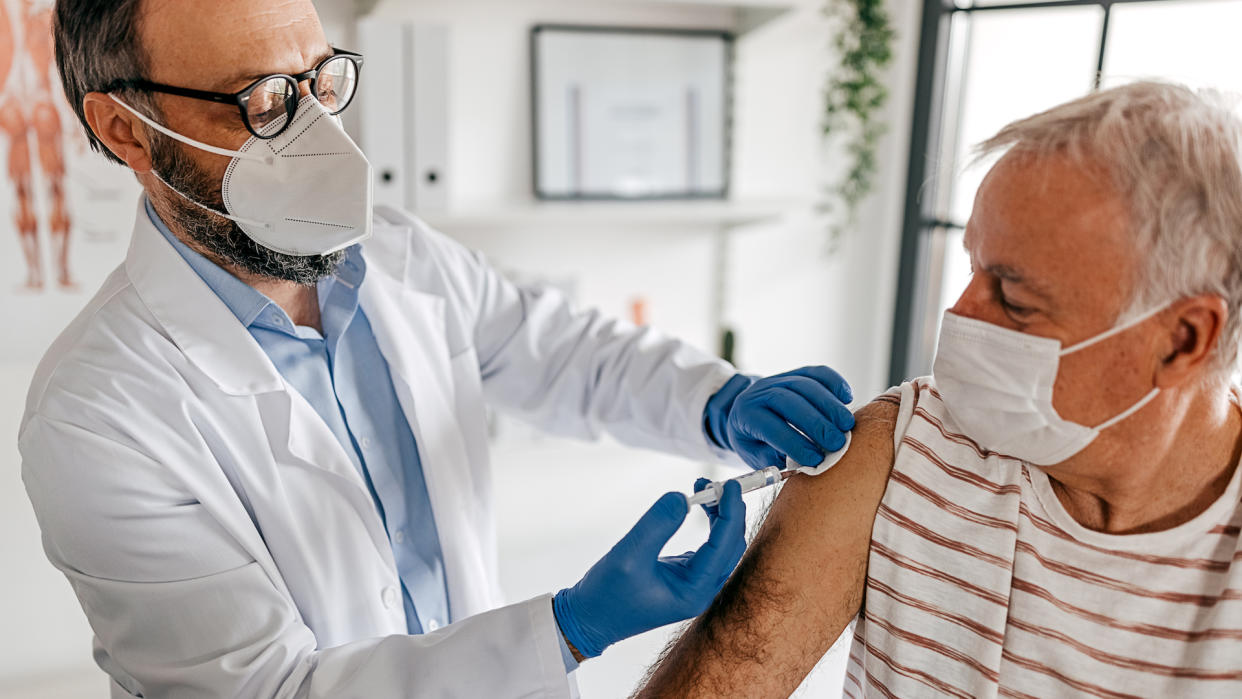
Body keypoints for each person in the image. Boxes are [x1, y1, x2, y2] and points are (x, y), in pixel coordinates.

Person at [19, 1, 857, 697]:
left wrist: (715, 400)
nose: (317, 136)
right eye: (265, 101)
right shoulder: (94, 416)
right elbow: (267, 691)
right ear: (127, 131)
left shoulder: (396, 256)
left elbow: (563, 351)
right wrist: (567, 628)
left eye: (320, 81)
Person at [638, 81, 1242, 697]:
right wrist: (568, 630)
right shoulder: (905, 444)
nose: (959, 315)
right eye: (973, 268)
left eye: (1014, 298)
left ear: (1182, 339)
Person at [1, 0, 73, 291]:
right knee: (24, 189)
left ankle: (59, 270)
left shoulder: (44, 14)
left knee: (53, 186)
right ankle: (36, 272)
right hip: (13, 102)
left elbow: (59, 69)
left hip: (37, 101)